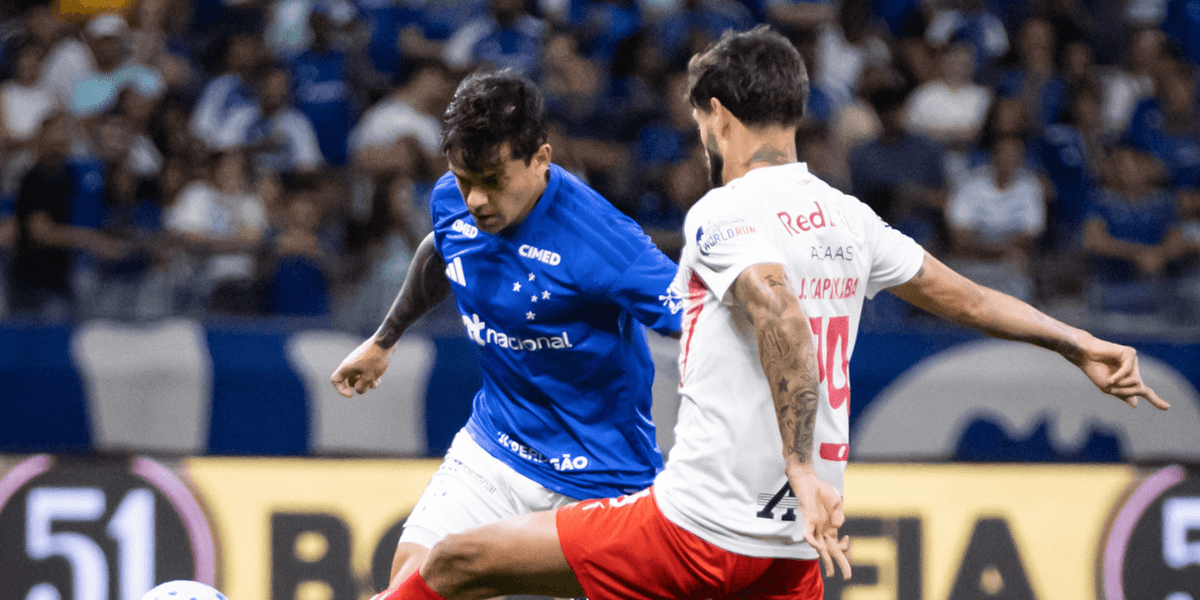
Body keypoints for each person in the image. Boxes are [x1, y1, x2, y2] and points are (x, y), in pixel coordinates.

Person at [374, 26, 1170, 600]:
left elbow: (778, 309)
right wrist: (1077, 340)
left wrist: (796, 456)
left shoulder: (724, 214)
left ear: (718, 115)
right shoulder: (848, 219)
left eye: (698, 123)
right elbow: (965, 296)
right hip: (791, 550)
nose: (698, 138)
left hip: (694, 535)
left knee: (448, 564)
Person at [329, 69, 682, 591]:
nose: (474, 200)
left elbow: (703, 323)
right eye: (464, 179)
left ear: (541, 159)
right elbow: (442, 250)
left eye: (492, 181)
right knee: (410, 580)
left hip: (602, 481)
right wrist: (385, 339)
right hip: (496, 446)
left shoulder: (606, 242)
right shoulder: (454, 199)